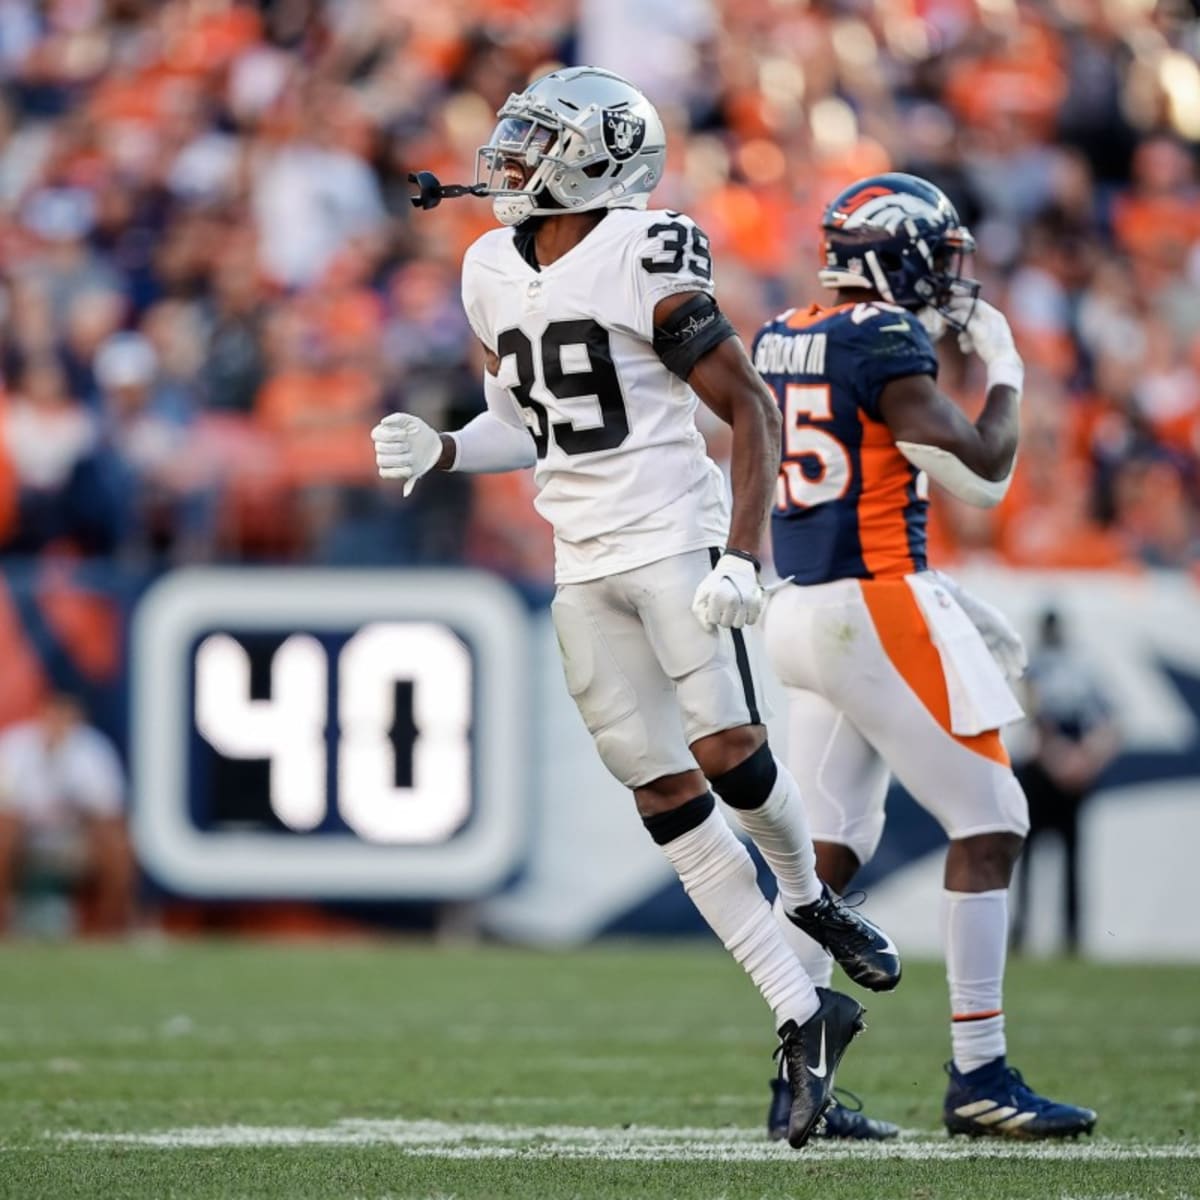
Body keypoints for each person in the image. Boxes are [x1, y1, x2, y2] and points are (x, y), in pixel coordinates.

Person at [371, 66, 900, 1149]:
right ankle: (803, 1015)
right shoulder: (485, 264)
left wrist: (745, 554)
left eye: (534, 140)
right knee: (660, 791)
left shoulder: (647, 248)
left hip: (673, 538)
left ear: (597, 161)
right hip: (580, 558)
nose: (508, 157)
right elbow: (535, 423)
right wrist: (448, 447)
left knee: (731, 755)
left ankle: (808, 896)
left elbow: (747, 405)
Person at [753, 173, 1097, 1140]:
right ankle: (980, 1075)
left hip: (803, 608)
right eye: (937, 259)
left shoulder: (784, 329)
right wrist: (1009, 367)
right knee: (993, 818)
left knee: (828, 854)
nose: (949, 281)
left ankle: (799, 1079)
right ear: (891, 257)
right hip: (872, 606)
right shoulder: (883, 338)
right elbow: (984, 471)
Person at [1011, 608, 1119, 954]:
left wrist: (1073, 759)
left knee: (1060, 858)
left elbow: (1106, 723)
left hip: (1058, 769)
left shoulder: (1049, 667)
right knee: (1044, 857)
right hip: (1057, 769)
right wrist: (1078, 759)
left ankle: (1062, 935)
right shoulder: (1071, 667)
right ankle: (1049, 934)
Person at [0, 690, 135, 936]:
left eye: (65, 715)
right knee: (3, 835)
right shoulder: (13, 747)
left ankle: (110, 931)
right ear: (41, 714)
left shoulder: (94, 751)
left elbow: (107, 816)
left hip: (75, 843)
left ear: (77, 718)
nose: (57, 722)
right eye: (53, 714)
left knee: (118, 845)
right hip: (25, 841)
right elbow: (7, 812)